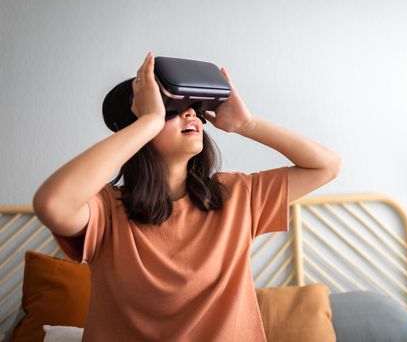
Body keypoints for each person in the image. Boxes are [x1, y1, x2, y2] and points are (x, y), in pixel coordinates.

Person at [32, 51, 342, 342]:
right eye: (171, 110)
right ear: (136, 129)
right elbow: (52, 203)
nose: (190, 113)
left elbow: (326, 166)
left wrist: (248, 124)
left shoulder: (236, 196)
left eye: (191, 108)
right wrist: (150, 121)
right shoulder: (106, 210)